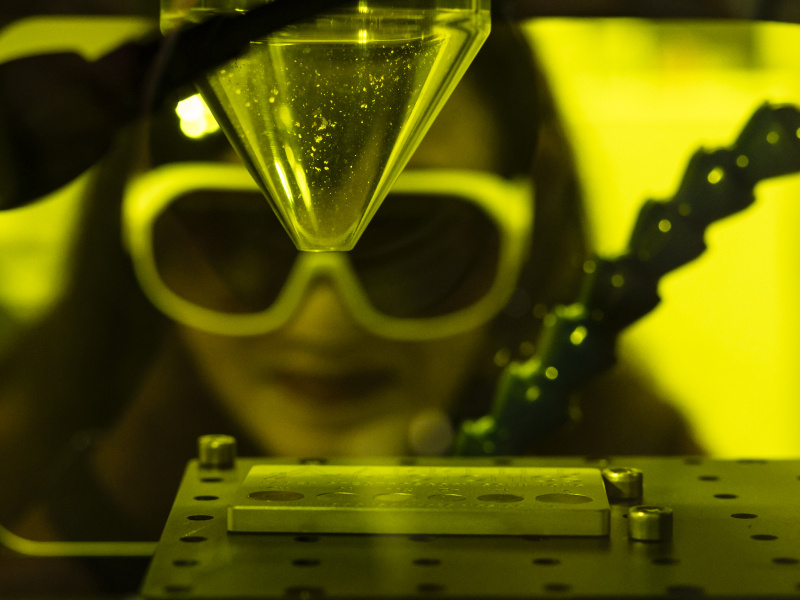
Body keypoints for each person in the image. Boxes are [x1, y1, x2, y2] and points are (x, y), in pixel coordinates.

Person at [0, 13, 703, 595]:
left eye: (412, 239)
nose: (322, 325)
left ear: (532, 221)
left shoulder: (637, 467)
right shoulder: (26, 452)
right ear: (138, 226)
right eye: (239, 238)